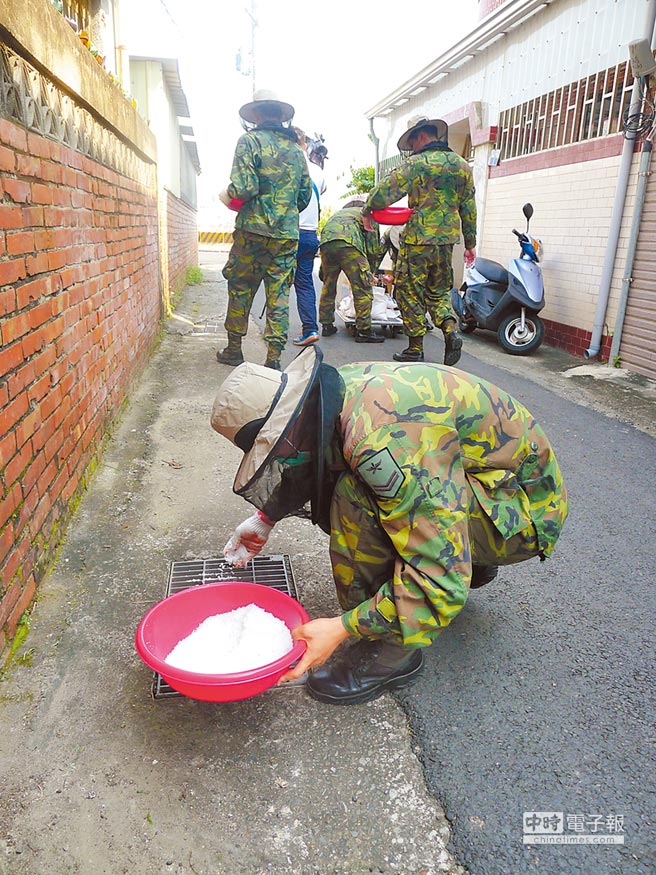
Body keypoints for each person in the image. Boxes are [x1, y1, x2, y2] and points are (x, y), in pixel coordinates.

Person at [211, 346, 568, 706]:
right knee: (370, 485)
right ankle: (470, 554)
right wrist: (265, 518)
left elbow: (441, 581)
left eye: (276, 449)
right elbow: (314, 451)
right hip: (491, 487)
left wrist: (343, 627)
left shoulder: (383, 441)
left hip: (524, 521)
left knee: (353, 497)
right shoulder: (337, 393)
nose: (281, 458)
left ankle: (392, 652)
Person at [362, 115, 477, 367]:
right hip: (446, 242)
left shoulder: (416, 163)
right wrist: (470, 243)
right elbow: (469, 206)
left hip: (417, 240)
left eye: (412, 142)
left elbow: (385, 192)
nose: (412, 148)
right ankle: (450, 330)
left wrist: (368, 209)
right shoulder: (462, 166)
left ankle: (415, 347)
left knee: (407, 291)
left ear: (420, 136)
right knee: (437, 293)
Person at [217, 90, 312, 371]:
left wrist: (227, 194)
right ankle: (273, 357)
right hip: (286, 234)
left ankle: (234, 349)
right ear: (281, 117)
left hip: (252, 230)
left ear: (256, 115)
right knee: (279, 292)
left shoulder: (249, 141)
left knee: (241, 286)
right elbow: (305, 196)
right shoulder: (297, 151)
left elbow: (244, 188)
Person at [317, 199, 386, 343]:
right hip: (349, 243)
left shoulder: (340, 214)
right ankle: (364, 331)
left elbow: (329, 243)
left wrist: (323, 273)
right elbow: (373, 250)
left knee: (328, 285)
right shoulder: (368, 216)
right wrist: (370, 274)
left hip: (326, 242)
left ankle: (327, 325)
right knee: (363, 288)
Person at [290, 128, 327, 347]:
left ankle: (274, 331)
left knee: (279, 283)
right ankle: (310, 329)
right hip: (311, 235)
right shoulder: (318, 171)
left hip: (289, 233)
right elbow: (320, 191)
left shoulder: (285, 166)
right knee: (305, 284)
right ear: (305, 146)